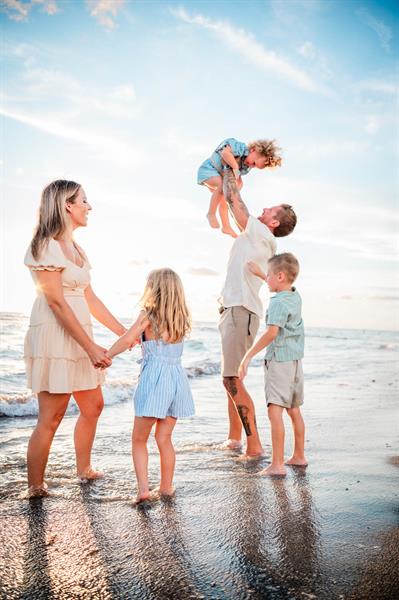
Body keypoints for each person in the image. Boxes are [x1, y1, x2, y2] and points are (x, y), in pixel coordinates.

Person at [24, 180, 126, 497]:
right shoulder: (45, 244)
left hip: (82, 334)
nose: (89, 206)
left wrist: (123, 332)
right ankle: (35, 488)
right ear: (67, 205)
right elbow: (55, 301)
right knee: (52, 416)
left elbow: (90, 298)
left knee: (93, 405)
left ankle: (83, 470)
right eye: (84, 200)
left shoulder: (78, 249)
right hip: (56, 335)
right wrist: (90, 346)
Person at [219, 168, 297, 458]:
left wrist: (229, 166)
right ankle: (235, 438)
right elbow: (232, 205)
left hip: (241, 311)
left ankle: (254, 445)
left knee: (231, 379)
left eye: (270, 209)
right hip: (235, 310)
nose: (263, 209)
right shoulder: (257, 235)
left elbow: (234, 200)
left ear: (273, 222)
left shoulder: (261, 232)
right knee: (232, 377)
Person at [107, 268, 194, 504]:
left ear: (152, 289)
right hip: (176, 381)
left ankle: (144, 490)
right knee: (164, 439)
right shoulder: (180, 318)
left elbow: (127, 339)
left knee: (139, 439)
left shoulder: (148, 314)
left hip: (154, 382)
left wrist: (107, 355)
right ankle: (166, 487)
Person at [238, 253, 307, 476]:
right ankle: (299, 456)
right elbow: (280, 288)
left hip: (279, 362)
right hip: (296, 361)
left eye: (268, 275)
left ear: (279, 276)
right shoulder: (295, 296)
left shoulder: (277, 302)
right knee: (294, 410)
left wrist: (248, 356)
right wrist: (263, 274)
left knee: (274, 411)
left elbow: (271, 333)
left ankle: (277, 464)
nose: (265, 278)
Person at [197, 138, 282, 237]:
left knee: (225, 198)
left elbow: (237, 177)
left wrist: (238, 184)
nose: (252, 166)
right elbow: (225, 153)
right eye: (254, 163)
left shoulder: (246, 166)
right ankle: (211, 213)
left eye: (255, 167)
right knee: (221, 186)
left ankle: (226, 226)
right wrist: (235, 167)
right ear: (253, 150)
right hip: (209, 170)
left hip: (219, 175)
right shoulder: (239, 147)